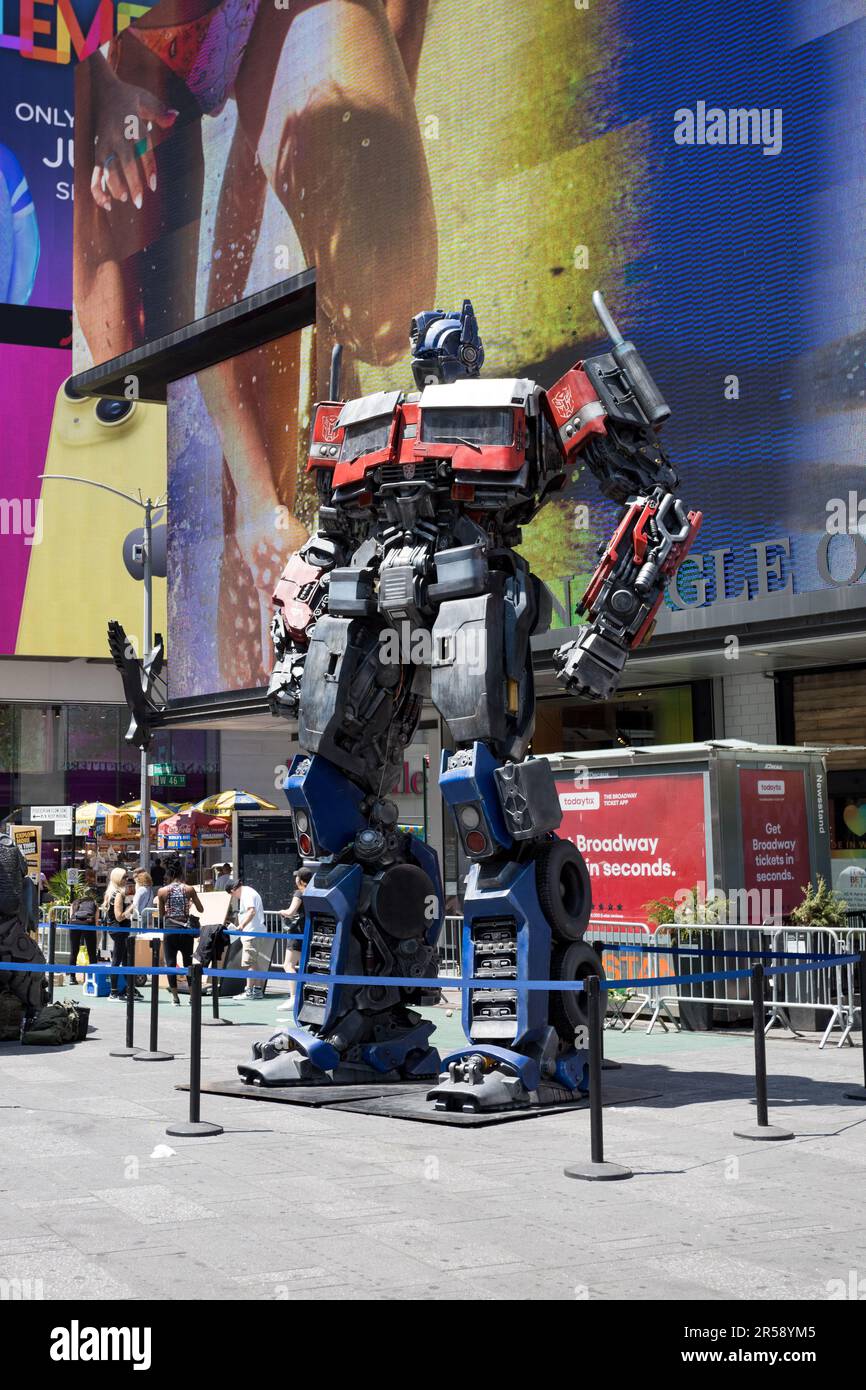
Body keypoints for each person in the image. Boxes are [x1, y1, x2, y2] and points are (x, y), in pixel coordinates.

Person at [157, 863, 203, 1005]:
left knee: (170, 963)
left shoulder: (162, 891)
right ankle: (191, 996)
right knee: (188, 963)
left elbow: (161, 914)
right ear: (182, 874)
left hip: (170, 930)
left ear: (169, 875)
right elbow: (201, 909)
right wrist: (189, 905)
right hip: (186, 931)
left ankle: (175, 997)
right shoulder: (189, 889)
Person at [103, 867, 143, 1001]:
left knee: (124, 960)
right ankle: (114, 991)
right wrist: (132, 906)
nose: (127, 879)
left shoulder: (113, 892)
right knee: (118, 960)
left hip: (118, 929)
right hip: (119, 929)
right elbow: (119, 916)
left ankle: (129, 989)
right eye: (124, 877)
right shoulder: (118, 894)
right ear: (118, 879)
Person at [276, 867, 310, 1013]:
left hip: (296, 932)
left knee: (288, 965)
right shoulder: (314, 891)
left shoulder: (299, 893)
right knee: (304, 966)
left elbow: (291, 912)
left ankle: (294, 997)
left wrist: (282, 911)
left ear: (300, 880)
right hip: (308, 932)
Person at [227, 877, 266, 1000]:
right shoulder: (249, 892)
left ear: (233, 889)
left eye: (231, 894)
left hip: (252, 932)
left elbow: (251, 911)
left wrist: (241, 925)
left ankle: (248, 991)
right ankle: (257, 990)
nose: (234, 897)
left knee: (249, 963)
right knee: (254, 963)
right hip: (256, 932)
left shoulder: (247, 894)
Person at [65, 883, 100, 985]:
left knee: (74, 950)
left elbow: (71, 916)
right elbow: (96, 921)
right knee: (91, 952)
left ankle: (72, 977)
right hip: (89, 925)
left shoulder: (75, 903)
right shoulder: (94, 904)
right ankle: (93, 976)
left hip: (74, 925)